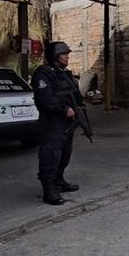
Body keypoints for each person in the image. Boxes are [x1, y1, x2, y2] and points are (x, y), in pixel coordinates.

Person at [31, 41, 83, 205]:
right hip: (52, 122)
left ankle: (59, 181)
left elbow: (73, 94)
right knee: (51, 155)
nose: (67, 56)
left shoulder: (64, 73)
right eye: (64, 54)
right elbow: (46, 98)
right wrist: (63, 109)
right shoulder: (43, 74)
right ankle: (49, 190)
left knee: (65, 154)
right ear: (55, 56)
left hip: (66, 122)